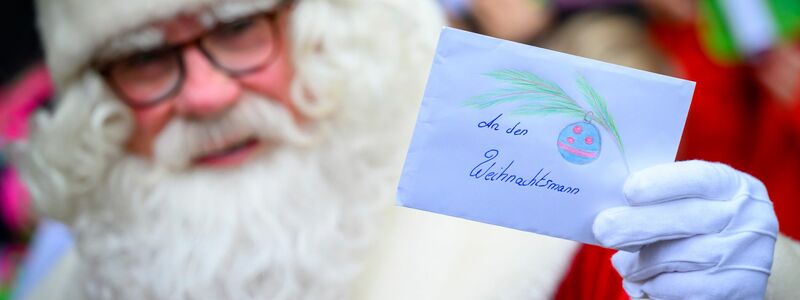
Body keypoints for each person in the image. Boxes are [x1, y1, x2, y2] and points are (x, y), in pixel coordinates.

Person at [11, 0, 798, 299]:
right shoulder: (74, 283)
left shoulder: (514, 220)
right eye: (146, 57)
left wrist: (760, 286)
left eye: (237, 28)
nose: (206, 95)